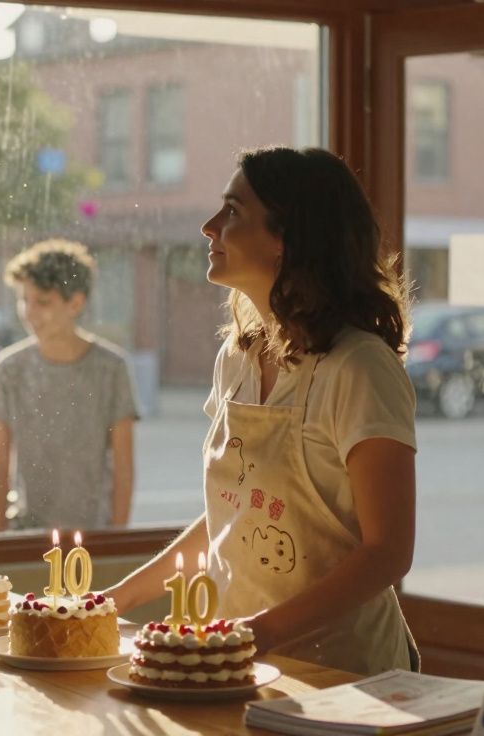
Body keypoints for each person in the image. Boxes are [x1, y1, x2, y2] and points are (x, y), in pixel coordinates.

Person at [103, 146, 418, 677]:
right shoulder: (239, 357)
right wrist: (112, 601)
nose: (209, 227)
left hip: (346, 676)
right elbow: (235, 513)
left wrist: (256, 633)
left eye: (232, 212)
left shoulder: (360, 368)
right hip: (244, 665)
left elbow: (388, 552)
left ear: (287, 238)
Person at [0, 239, 139, 532]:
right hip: (26, 532)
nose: (28, 311)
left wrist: (117, 538)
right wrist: (1, 541)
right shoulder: (8, 370)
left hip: (93, 534)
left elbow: (123, 469)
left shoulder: (111, 370)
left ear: (75, 303)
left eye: (42, 302)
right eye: (23, 299)